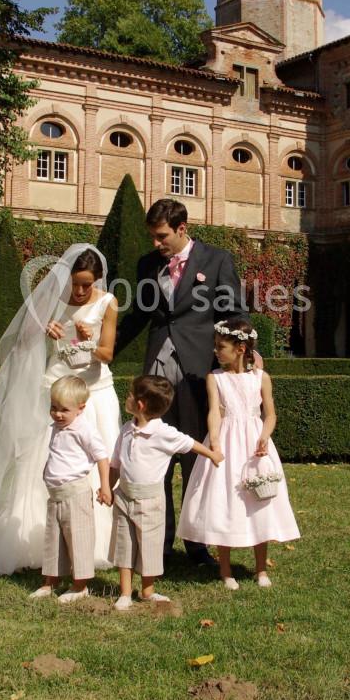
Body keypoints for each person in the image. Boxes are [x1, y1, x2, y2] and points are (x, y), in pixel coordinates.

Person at [0, 244, 121, 576]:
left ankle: (97, 539)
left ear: (97, 281)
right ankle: (36, 536)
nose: (79, 291)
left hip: (95, 391)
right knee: (43, 460)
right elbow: (22, 345)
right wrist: (46, 329)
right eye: (75, 283)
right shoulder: (53, 302)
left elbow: (107, 353)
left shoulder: (108, 303)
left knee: (99, 458)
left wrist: (87, 340)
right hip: (58, 387)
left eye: (86, 284)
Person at [114, 198, 254, 567]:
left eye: (161, 236)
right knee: (151, 451)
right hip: (158, 368)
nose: (156, 243)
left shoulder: (217, 260)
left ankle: (197, 544)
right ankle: (158, 542)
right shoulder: (147, 265)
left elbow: (234, 310)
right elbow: (138, 316)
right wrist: (102, 350)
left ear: (181, 228)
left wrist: (247, 350)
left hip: (197, 369)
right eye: (153, 236)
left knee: (194, 455)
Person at [179, 319, 299, 589]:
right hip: (229, 441)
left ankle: (260, 569)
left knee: (260, 499)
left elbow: (270, 414)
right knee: (224, 500)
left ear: (241, 349)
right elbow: (214, 412)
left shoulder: (261, 378)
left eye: (221, 347)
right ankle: (225, 569)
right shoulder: (216, 378)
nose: (216, 351)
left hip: (255, 444)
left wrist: (265, 436)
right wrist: (216, 444)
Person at [109, 375, 224, 611]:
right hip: (123, 495)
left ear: (140, 404)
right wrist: (108, 489)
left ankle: (148, 590)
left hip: (150, 500)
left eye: (131, 394)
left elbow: (189, 442)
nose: (127, 397)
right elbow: (116, 464)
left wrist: (212, 454)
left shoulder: (163, 432)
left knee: (149, 544)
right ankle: (125, 592)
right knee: (125, 543)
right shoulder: (126, 430)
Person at [30, 376, 113, 603]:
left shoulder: (84, 429)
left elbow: (102, 457)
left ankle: (80, 586)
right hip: (56, 494)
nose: (57, 414)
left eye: (63, 410)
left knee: (79, 538)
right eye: (53, 408)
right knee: (53, 538)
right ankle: (50, 581)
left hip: (75, 494)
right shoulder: (57, 427)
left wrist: (105, 485)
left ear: (81, 408)